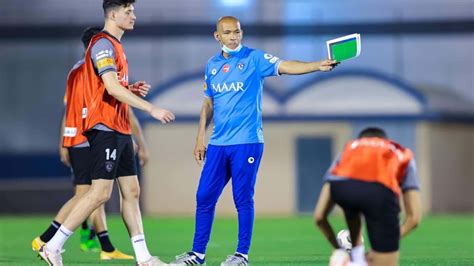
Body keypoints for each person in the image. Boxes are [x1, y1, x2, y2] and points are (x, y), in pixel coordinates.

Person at [169, 16, 337, 266]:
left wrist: (317, 65)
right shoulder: (211, 65)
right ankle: (197, 255)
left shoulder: (254, 59)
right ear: (218, 37)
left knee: (242, 198)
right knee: (204, 196)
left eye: (237, 32)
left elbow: (286, 65)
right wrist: (199, 137)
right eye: (228, 33)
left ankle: (241, 255)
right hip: (217, 144)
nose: (234, 36)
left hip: (247, 141)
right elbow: (208, 102)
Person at [37, 1, 175, 265]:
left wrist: (130, 88)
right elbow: (111, 88)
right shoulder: (102, 44)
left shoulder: (116, 46)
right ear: (113, 14)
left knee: (132, 190)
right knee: (99, 193)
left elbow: (109, 87)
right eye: (128, 11)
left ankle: (144, 257)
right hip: (105, 129)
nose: (134, 15)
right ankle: (52, 246)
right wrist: (151, 108)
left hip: (120, 127)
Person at [31, 26, 142, 260]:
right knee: (89, 194)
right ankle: (46, 240)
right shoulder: (91, 70)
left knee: (94, 193)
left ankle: (104, 246)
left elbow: (69, 108)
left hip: (78, 136)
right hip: (88, 136)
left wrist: (64, 140)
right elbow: (100, 101)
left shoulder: (75, 71)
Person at [313, 127, 422, 266]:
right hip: (380, 191)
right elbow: (414, 218)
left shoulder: (349, 149)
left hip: (343, 189)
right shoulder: (400, 152)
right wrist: (387, 241)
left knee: (352, 206)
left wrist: (339, 249)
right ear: (386, 140)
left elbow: (319, 217)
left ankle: (351, 258)